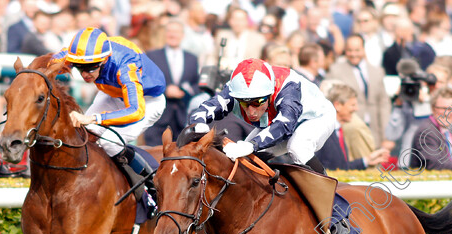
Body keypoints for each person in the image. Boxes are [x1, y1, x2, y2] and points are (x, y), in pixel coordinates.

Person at [55, 27, 166, 215]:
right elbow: (49, 62)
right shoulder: (83, 54)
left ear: (104, 60)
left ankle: (150, 189)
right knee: (83, 133)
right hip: (113, 93)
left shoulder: (126, 67)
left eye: (91, 67)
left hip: (146, 102)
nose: (85, 74)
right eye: (79, 68)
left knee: (109, 143)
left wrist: (93, 118)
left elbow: (135, 111)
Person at [188, 57, 337, 174]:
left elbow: (285, 125)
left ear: (270, 92)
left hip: (316, 118)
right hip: (276, 121)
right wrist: (199, 124)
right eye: (244, 103)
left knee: (298, 147)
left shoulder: (288, 88)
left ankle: (333, 200)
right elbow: (206, 108)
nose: (251, 112)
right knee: (243, 159)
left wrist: (252, 145)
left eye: (258, 102)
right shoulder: (234, 89)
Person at [326, 33, 392, 148]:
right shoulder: (335, 70)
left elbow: (383, 103)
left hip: (375, 131)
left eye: (357, 50)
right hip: (349, 131)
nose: (353, 54)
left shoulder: (376, 71)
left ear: (363, 49)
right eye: (349, 50)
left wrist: (385, 135)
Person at [143, 19, 199, 146]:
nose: (173, 35)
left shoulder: (192, 58)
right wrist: (165, 90)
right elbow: (145, 81)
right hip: (157, 119)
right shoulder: (152, 56)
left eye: (176, 32)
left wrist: (186, 91)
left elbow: (197, 84)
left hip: (183, 119)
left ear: (182, 35)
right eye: (170, 31)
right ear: (165, 34)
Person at [317, 81, 389, 171]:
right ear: (338, 105)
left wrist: (367, 160)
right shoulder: (322, 131)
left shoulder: (337, 130)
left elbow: (341, 167)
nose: (356, 108)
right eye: (352, 105)